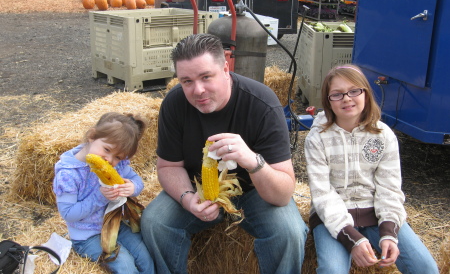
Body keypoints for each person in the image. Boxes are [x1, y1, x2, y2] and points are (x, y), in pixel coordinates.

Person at [141, 33, 308, 274]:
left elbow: (282, 194)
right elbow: (168, 166)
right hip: (198, 187)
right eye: (186, 81)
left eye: (206, 77)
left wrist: (252, 161)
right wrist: (189, 199)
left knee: (289, 232)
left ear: (225, 68)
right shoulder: (174, 104)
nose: (198, 90)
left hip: (254, 191)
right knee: (155, 222)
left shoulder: (262, 104)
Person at [304, 65, 439, 274]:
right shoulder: (317, 138)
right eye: (337, 94)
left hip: (375, 212)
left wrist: (389, 232)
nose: (347, 99)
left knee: (425, 267)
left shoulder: (383, 135)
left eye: (354, 91)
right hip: (333, 218)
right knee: (332, 270)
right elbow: (322, 194)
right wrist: (351, 239)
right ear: (328, 101)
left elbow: (390, 188)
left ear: (365, 93)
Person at [53, 112, 155, 274]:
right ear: (92, 136)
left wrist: (132, 187)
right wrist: (100, 197)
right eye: (107, 149)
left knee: (146, 259)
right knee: (125, 266)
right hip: (87, 236)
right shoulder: (68, 175)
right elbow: (68, 214)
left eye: (118, 157)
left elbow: (137, 180)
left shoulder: (117, 165)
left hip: (116, 224)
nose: (110, 160)